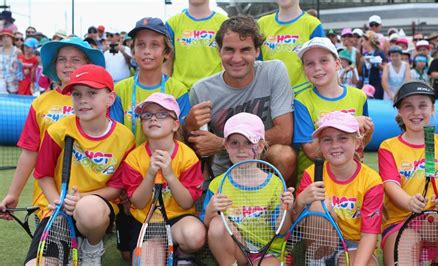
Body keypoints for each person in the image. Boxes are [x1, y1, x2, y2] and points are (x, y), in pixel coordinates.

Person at [24, 64, 135, 265]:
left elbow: (117, 187)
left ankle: (92, 248)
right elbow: (43, 174)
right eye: (76, 94)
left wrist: (81, 199)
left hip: (96, 210)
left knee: (89, 208)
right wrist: (58, 202)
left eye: (92, 93)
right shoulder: (58, 130)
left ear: (110, 98)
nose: (83, 100)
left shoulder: (125, 138)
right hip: (59, 207)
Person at [0, 37, 106, 228]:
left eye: (76, 60)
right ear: (54, 64)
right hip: (47, 199)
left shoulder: (99, 100)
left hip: (87, 194)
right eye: (62, 59)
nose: (68, 65)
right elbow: (29, 152)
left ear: (88, 64)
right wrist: (13, 194)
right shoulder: (40, 103)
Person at [184, 16, 296, 184]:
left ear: (257, 51)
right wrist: (188, 126)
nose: (237, 58)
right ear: (219, 51)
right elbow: (196, 146)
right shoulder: (202, 90)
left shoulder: (273, 71)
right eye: (229, 50)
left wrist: (223, 143)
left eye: (245, 50)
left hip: (264, 162)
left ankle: (282, 203)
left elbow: (285, 133)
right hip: (225, 170)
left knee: (284, 155)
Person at [378, 81, 438, 265]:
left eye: (423, 105)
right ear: (399, 112)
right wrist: (409, 202)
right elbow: (390, 184)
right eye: (408, 107)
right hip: (400, 221)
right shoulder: (388, 147)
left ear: (432, 108)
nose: (416, 112)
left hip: (434, 220)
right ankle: (414, 253)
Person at [200, 112, 295, 265]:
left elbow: (282, 230)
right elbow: (207, 226)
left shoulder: (275, 184)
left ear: (261, 146)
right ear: (226, 146)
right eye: (234, 143)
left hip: (267, 251)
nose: (241, 149)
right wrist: (211, 209)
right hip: (237, 249)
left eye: (249, 142)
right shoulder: (218, 184)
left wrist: (287, 210)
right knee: (217, 224)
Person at [122, 92, 206, 260]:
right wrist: (150, 174)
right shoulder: (133, 159)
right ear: (142, 124)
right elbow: (138, 203)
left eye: (161, 114)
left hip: (177, 220)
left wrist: (169, 175)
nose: (153, 119)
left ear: (175, 125)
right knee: (144, 262)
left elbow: (187, 203)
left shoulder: (188, 157)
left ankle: (183, 256)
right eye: (147, 115)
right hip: (146, 223)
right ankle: (160, 250)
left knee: (194, 235)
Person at [295, 111, 383, 265]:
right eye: (327, 140)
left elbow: (369, 234)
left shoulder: (371, 180)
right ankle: (319, 261)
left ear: (357, 143)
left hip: (355, 245)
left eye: (343, 138)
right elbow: (297, 223)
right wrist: (301, 201)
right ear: (320, 145)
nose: (335, 145)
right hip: (322, 244)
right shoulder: (312, 173)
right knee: (319, 206)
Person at [292, 37, 373, 184]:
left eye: (323, 61)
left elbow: (361, 140)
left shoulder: (359, 96)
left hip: (352, 182)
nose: (317, 68)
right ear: (304, 70)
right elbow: (312, 151)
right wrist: (350, 122)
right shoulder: (301, 101)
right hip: (316, 182)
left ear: (337, 64)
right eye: (310, 63)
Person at [111, 17, 190, 145]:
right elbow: (115, 137)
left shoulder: (178, 90)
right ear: (133, 51)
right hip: (128, 163)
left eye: (154, 45)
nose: (147, 51)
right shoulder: (120, 90)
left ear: (167, 52)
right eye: (141, 45)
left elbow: (181, 138)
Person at [258, 0, 325, 89]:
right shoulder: (262, 24)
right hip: (270, 94)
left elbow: (323, 64)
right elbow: (256, 64)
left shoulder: (312, 24)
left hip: (303, 96)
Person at [165, 0, 227, 89]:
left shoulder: (224, 23)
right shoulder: (172, 23)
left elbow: (227, 61)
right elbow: (166, 64)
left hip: (213, 90)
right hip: (181, 93)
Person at [359, 30, 387, 99]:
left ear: (368, 41)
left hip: (376, 85)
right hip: (365, 84)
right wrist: (361, 62)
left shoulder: (379, 53)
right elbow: (360, 72)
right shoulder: (364, 54)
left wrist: (376, 63)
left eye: (363, 41)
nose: (362, 44)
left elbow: (386, 69)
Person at [0, 28, 22, 94]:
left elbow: (20, 68)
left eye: (8, 37)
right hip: (1, 82)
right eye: (3, 37)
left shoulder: (17, 51)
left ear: (12, 38)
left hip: (14, 83)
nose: (5, 39)